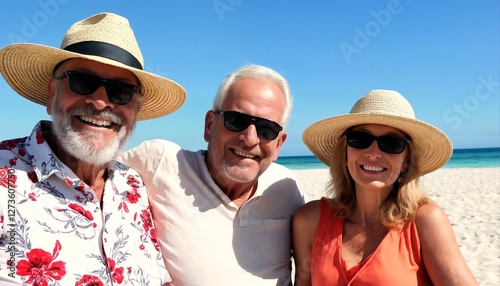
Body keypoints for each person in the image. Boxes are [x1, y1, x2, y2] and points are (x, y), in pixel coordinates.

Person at [0, 12, 186, 285]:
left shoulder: (134, 186)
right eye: (82, 82)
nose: (100, 102)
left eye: (121, 91)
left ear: (135, 110)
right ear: (52, 94)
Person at [118, 64, 305, 285]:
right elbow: (85, 183)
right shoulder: (160, 161)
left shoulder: (285, 188)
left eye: (267, 130)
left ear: (279, 145)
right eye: (236, 121)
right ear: (209, 125)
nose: (251, 138)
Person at [292, 90, 478, 285]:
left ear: (406, 161)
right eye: (360, 139)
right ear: (345, 153)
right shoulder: (309, 220)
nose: (373, 153)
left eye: (392, 143)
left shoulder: (425, 221)